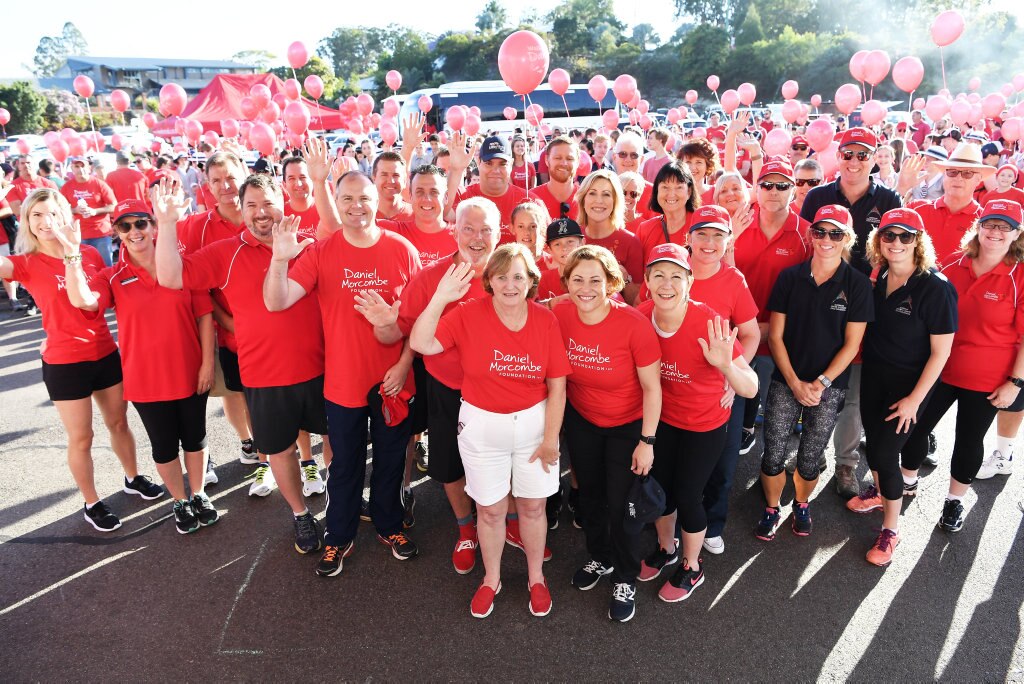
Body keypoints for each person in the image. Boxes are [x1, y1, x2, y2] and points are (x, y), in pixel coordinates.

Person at [265, 138, 423, 576]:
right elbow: (277, 302)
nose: (357, 207)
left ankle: (390, 524)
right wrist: (279, 261)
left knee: (392, 461)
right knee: (345, 465)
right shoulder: (321, 251)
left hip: (394, 381)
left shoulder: (402, 250)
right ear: (336, 202)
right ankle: (339, 535)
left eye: (364, 199)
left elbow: (415, 324)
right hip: (344, 383)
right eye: (347, 199)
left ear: (379, 201)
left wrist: (403, 363)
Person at [155, 173, 329, 555]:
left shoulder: (309, 245)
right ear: (241, 208)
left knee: (334, 442)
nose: (260, 213)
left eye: (267, 203)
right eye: (251, 205)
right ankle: (301, 514)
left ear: (282, 203)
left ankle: (338, 505)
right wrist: (166, 224)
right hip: (265, 376)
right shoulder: (225, 252)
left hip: (322, 369)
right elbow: (170, 276)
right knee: (280, 451)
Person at [410, 244, 569, 619]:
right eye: (502, 276)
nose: (510, 285)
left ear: (531, 281)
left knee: (532, 507)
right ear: (489, 281)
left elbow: (558, 385)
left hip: (532, 425)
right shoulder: (467, 313)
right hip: (482, 426)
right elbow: (421, 342)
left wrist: (550, 440)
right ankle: (492, 578)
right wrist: (440, 298)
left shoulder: (545, 320)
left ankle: (536, 577)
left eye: (518, 277)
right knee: (491, 510)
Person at [0, 188, 161, 532]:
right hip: (64, 363)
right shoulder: (26, 262)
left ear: (64, 215)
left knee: (119, 423)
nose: (45, 222)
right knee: (82, 437)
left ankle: (132, 477)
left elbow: (105, 299)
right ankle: (92, 502)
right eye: (36, 216)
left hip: (104, 352)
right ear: (27, 222)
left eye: (51, 213)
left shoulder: (89, 254)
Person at [60, 198, 221, 534]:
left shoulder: (180, 266)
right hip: (146, 380)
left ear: (152, 225)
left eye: (140, 223)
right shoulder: (112, 276)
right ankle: (180, 501)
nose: (134, 231)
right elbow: (85, 302)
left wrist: (208, 363)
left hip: (191, 372)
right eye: (125, 226)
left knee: (195, 438)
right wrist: (72, 255)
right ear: (116, 233)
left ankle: (200, 494)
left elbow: (205, 317)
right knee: (164, 446)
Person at [638, 243, 757, 602]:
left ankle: (692, 566)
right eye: (658, 274)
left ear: (689, 281)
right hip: (662, 421)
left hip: (703, 424)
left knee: (689, 495)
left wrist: (724, 365)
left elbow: (750, 387)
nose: (666, 283)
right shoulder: (641, 316)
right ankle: (666, 547)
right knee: (659, 491)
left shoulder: (709, 321)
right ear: (646, 280)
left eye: (676, 275)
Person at [552, 245, 661, 622]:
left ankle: (626, 575)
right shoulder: (560, 310)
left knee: (623, 506)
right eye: (577, 280)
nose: (585, 288)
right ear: (566, 283)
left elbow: (653, 388)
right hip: (583, 422)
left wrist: (646, 442)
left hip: (627, 427)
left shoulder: (633, 324)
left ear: (612, 282)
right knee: (591, 499)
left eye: (595, 280)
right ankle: (600, 558)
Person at [391, 197, 500, 575]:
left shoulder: (511, 274)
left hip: (504, 392)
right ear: (453, 231)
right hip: (447, 389)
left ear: (499, 234)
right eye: (468, 228)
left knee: (506, 463)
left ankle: (512, 526)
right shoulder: (428, 278)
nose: (477, 237)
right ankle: (466, 530)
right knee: (452, 465)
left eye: (486, 229)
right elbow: (404, 329)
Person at [902, 200, 1024, 529]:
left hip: (988, 376)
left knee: (969, 440)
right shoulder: (955, 264)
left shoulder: (1019, 276)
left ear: (1016, 234)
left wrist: (1015, 383)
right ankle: (907, 481)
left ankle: (954, 501)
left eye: (1004, 227)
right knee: (915, 427)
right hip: (940, 369)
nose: (995, 232)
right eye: (990, 224)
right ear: (978, 227)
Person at [757, 205, 873, 540]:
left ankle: (802, 503)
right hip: (786, 379)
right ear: (811, 235)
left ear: (847, 238)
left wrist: (820, 384)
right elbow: (775, 335)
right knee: (774, 450)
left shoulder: (858, 285)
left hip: (830, 386)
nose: (826, 239)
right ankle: (771, 507)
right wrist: (794, 382)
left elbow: (852, 345)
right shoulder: (790, 277)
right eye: (820, 232)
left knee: (809, 456)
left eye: (835, 233)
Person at [849, 208, 956, 565]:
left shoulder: (935, 288)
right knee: (875, 446)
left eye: (905, 236)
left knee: (882, 454)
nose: (896, 242)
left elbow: (941, 353)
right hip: (875, 376)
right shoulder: (877, 276)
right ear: (878, 240)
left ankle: (891, 529)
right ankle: (881, 492)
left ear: (919, 241)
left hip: (910, 385)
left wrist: (914, 400)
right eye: (888, 235)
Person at [800, 128, 902, 497]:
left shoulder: (889, 197)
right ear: (837, 156)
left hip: (866, 303)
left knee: (852, 393)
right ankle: (809, 456)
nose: (855, 162)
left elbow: (899, 250)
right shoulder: (817, 196)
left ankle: (846, 463)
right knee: (810, 380)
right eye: (848, 154)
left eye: (863, 155)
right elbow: (803, 246)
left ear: (874, 157)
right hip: (818, 302)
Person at [176, 151, 265, 491]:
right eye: (217, 181)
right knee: (235, 393)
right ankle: (249, 443)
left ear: (244, 172)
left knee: (267, 397)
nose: (226, 186)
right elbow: (198, 286)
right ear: (207, 186)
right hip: (231, 333)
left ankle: (272, 454)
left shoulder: (262, 212)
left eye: (230, 177)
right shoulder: (197, 227)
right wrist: (228, 322)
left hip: (270, 332)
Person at [680, 206, 761, 555]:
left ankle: (712, 522)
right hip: (677, 384)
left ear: (728, 240)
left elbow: (752, 335)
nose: (709, 243)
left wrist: (734, 375)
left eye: (717, 235)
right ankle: (671, 523)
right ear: (689, 238)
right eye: (702, 234)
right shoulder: (673, 271)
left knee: (722, 465)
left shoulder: (733, 280)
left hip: (724, 389)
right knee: (676, 461)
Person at [731, 160, 810, 455]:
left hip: (780, 337)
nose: (773, 191)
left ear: (793, 190)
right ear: (756, 188)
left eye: (782, 186)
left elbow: (813, 292)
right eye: (766, 185)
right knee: (733, 401)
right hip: (737, 333)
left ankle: (772, 465)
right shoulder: (738, 223)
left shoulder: (807, 233)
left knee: (776, 408)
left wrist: (775, 329)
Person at [574, 170, 643, 303]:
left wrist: (625, 278)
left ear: (615, 201)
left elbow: (635, 301)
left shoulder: (630, 241)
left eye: (606, 194)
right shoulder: (573, 236)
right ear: (583, 199)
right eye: (592, 193)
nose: (599, 200)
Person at [446, 133, 533, 233]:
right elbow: (444, 213)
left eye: (503, 164)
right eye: (489, 163)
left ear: (511, 164)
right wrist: (456, 170)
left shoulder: (529, 201)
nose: (495, 170)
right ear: (478, 162)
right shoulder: (462, 196)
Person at [381, 165, 457, 268]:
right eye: (420, 192)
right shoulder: (391, 231)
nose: (427, 199)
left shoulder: (462, 236)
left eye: (434, 192)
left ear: (446, 197)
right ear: (411, 196)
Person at [635, 162, 700, 261]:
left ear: (689, 191)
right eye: (665, 187)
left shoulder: (701, 226)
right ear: (657, 191)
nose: (671, 194)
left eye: (679, 187)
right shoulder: (645, 230)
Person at [531, 136, 580, 221]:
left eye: (569, 158)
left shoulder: (587, 198)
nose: (564, 163)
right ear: (547, 160)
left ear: (578, 162)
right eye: (557, 158)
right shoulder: (531, 198)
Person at [537, 218, 585, 301]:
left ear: (582, 243)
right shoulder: (543, 280)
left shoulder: (594, 275)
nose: (564, 248)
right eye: (557, 244)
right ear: (549, 250)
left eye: (570, 241)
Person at [282, 156, 320, 241]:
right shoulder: (279, 216)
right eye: (291, 178)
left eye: (303, 177)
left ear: (312, 180)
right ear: (284, 184)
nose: (298, 184)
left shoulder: (326, 211)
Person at [373, 151, 414, 222]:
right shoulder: (363, 217)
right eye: (384, 175)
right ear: (374, 178)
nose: (391, 181)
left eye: (396, 175)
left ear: (404, 180)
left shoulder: (417, 216)